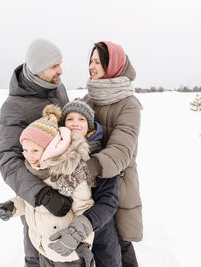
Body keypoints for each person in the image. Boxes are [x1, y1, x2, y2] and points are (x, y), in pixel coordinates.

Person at [51, 41, 143, 267]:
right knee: (94, 243)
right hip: (86, 187)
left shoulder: (128, 104)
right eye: (90, 61)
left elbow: (122, 151)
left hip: (116, 185)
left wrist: (86, 169)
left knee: (119, 244)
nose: (91, 66)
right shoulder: (90, 98)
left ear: (112, 65)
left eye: (97, 62)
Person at [0, 38, 72, 267]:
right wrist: (42, 196)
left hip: (69, 187)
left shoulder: (58, 88)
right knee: (36, 253)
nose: (61, 70)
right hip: (37, 201)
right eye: (54, 66)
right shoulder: (14, 106)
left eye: (61, 63)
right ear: (39, 69)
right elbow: (8, 159)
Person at [0, 104, 95, 267]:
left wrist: (83, 244)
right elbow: (30, 201)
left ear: (50, 148)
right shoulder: (34, 168)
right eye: (25, 150)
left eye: (35, 150)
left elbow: (84, 209)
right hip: (43, 249)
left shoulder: (70, 171)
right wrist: (13, 206)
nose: (29, 156)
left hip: (68, 253)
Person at [48, 99, 122, 267]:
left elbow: (108, 200)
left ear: (90, 126)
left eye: (81, 119)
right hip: (65, 232)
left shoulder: (101, 155)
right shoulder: (54, 153)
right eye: (70, 119)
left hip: (100, 226)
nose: (75, 123)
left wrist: (84, 225)